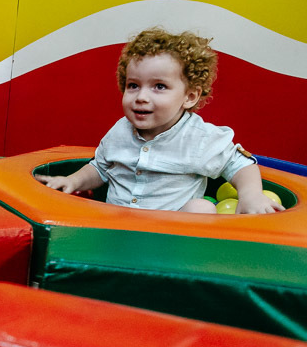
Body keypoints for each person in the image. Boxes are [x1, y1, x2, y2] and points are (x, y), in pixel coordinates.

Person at [36, 28, 283, 214]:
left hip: (171, 235)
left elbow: (239, 163)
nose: (141, 97)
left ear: (190, 96)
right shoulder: (120, 131)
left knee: (202, 209)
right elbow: (101, 167)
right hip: (114, 226)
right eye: (133, 85)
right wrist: (72, 180)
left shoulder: (198, 138)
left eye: (159, 87)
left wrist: (252, 196)